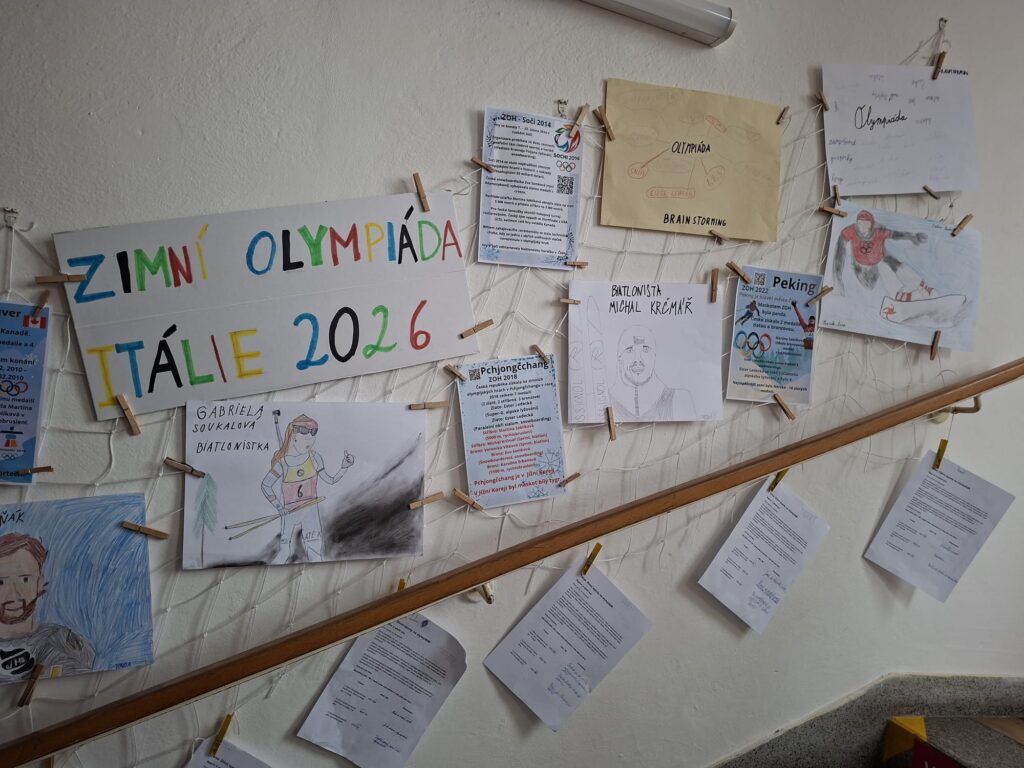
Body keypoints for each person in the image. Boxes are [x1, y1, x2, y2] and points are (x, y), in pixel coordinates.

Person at [261, 415, 355, 564]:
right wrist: (279, 507)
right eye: (305, 437)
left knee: (315, 554)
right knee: (284, 553)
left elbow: (330, 480)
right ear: (293, 436)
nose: (310, 441)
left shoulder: (315, 458)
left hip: (310, 512)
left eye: (312, 437)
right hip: (290, 512)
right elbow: (266, 485)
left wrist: (344, 467)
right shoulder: (283, 463)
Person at [0, 533, 94, 682]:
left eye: (25, 579)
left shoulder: (63, 642)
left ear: (40, 584)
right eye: (1, 582)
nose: (14, 594)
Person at [833, 210, 932, 307]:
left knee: (889, 262)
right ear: (856, 224)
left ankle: (919, 284)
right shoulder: (850, 231)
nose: (863, 228)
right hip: (862, 270)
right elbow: (839, 253)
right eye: (860, 224)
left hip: (877, 264)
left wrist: (913, 236)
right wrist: (837, 279)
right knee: (878, 274)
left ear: (871, 225)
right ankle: (897, 295)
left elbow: (895, 234)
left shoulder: (878, 231)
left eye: (866, 225)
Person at [608, 326, 695, 421]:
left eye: (645, 350)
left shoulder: (678, 399)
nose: (638, 359)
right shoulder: (604, 400)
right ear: (619, 357)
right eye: (630, 350)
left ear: (654, 356)